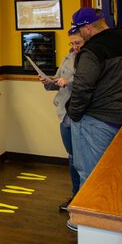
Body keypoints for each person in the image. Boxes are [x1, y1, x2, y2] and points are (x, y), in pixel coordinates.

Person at [67, 7, 122, 191]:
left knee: (90, 176)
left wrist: (74, 115)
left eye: (79, 29)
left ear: (88, 28)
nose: (79, 33)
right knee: (120, 175)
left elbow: (82, 88)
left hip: (95, 122)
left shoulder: (92, 50)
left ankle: (84, 220)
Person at [39, 28, 85, 211]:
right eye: (72, 43)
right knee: (72, 157)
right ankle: (76, 197)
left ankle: (84, 199)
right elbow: (58, 81)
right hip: (64, 113)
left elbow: (89, 83)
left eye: (78, 43)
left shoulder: (91, 58)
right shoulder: (68, 57)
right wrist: (49, 82)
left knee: (82, 159)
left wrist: (70, 82)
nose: (74, 47)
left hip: (81, 113)